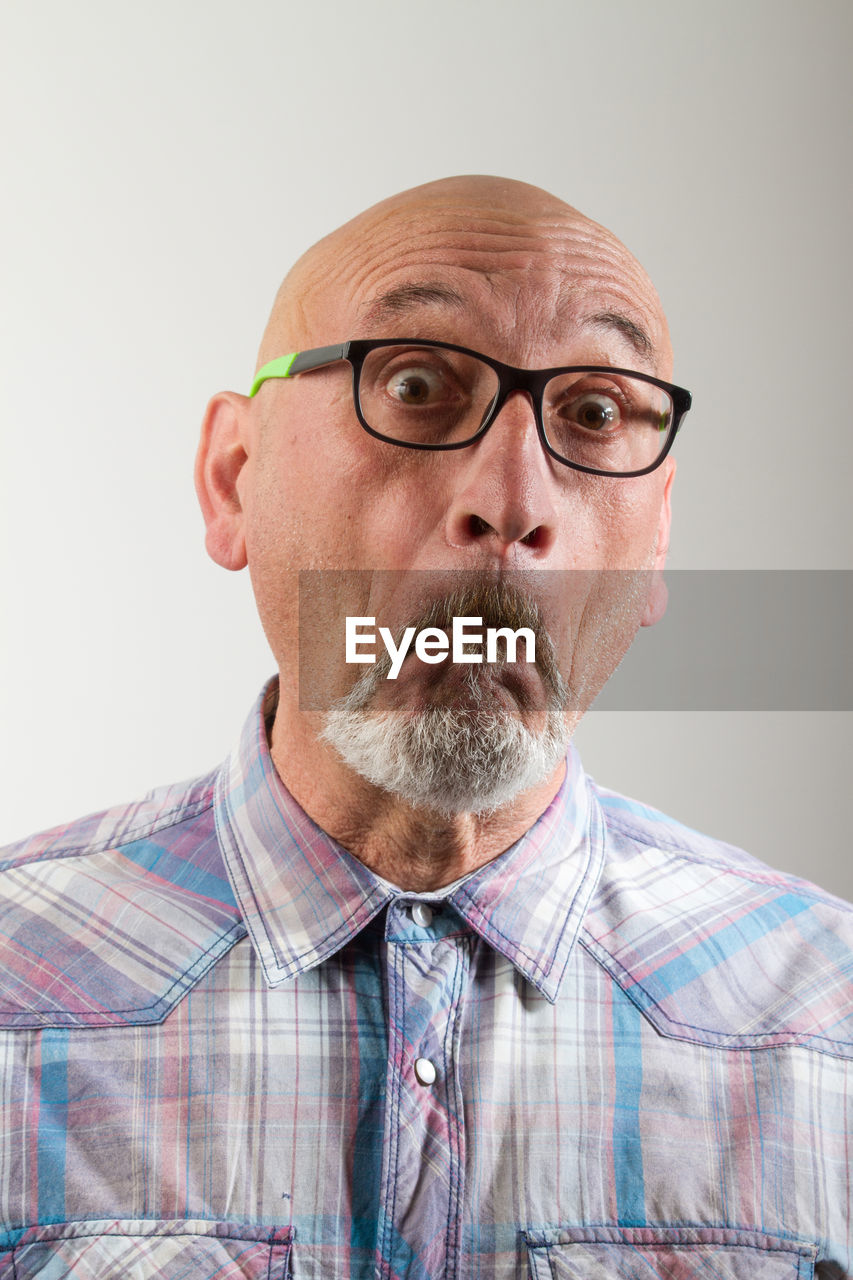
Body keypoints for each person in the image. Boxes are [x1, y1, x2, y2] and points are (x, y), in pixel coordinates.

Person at [0, 175, 850, 1279]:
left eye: (593, 413)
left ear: (655, 546)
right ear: (232, 478)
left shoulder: (826, 1027)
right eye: (414, 382)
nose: (513, 498)